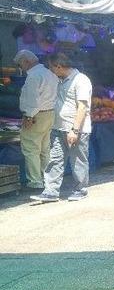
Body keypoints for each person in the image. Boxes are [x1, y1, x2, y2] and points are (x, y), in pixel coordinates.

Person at [30, 53, 91, 202]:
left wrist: (75, 130)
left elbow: (82, 107)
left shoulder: (81, 80)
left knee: (78, 160)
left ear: (59, 66)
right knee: (55, 159)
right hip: (58, 127)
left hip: (76, 129)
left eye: (51, 67)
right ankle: (51, 191)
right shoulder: (59, 80)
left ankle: (80, 190)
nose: (50, 71)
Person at [16, 50, 58, 191]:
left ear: (25, 61)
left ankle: (35, 181)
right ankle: (48, 179)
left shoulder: (34, 76)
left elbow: (32, 100)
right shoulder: (49, 73)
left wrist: (28, 116)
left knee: (31, 149)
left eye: (19, 64)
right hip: (50, 113)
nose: (20, 68)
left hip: (36, 116)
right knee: (45, 149)